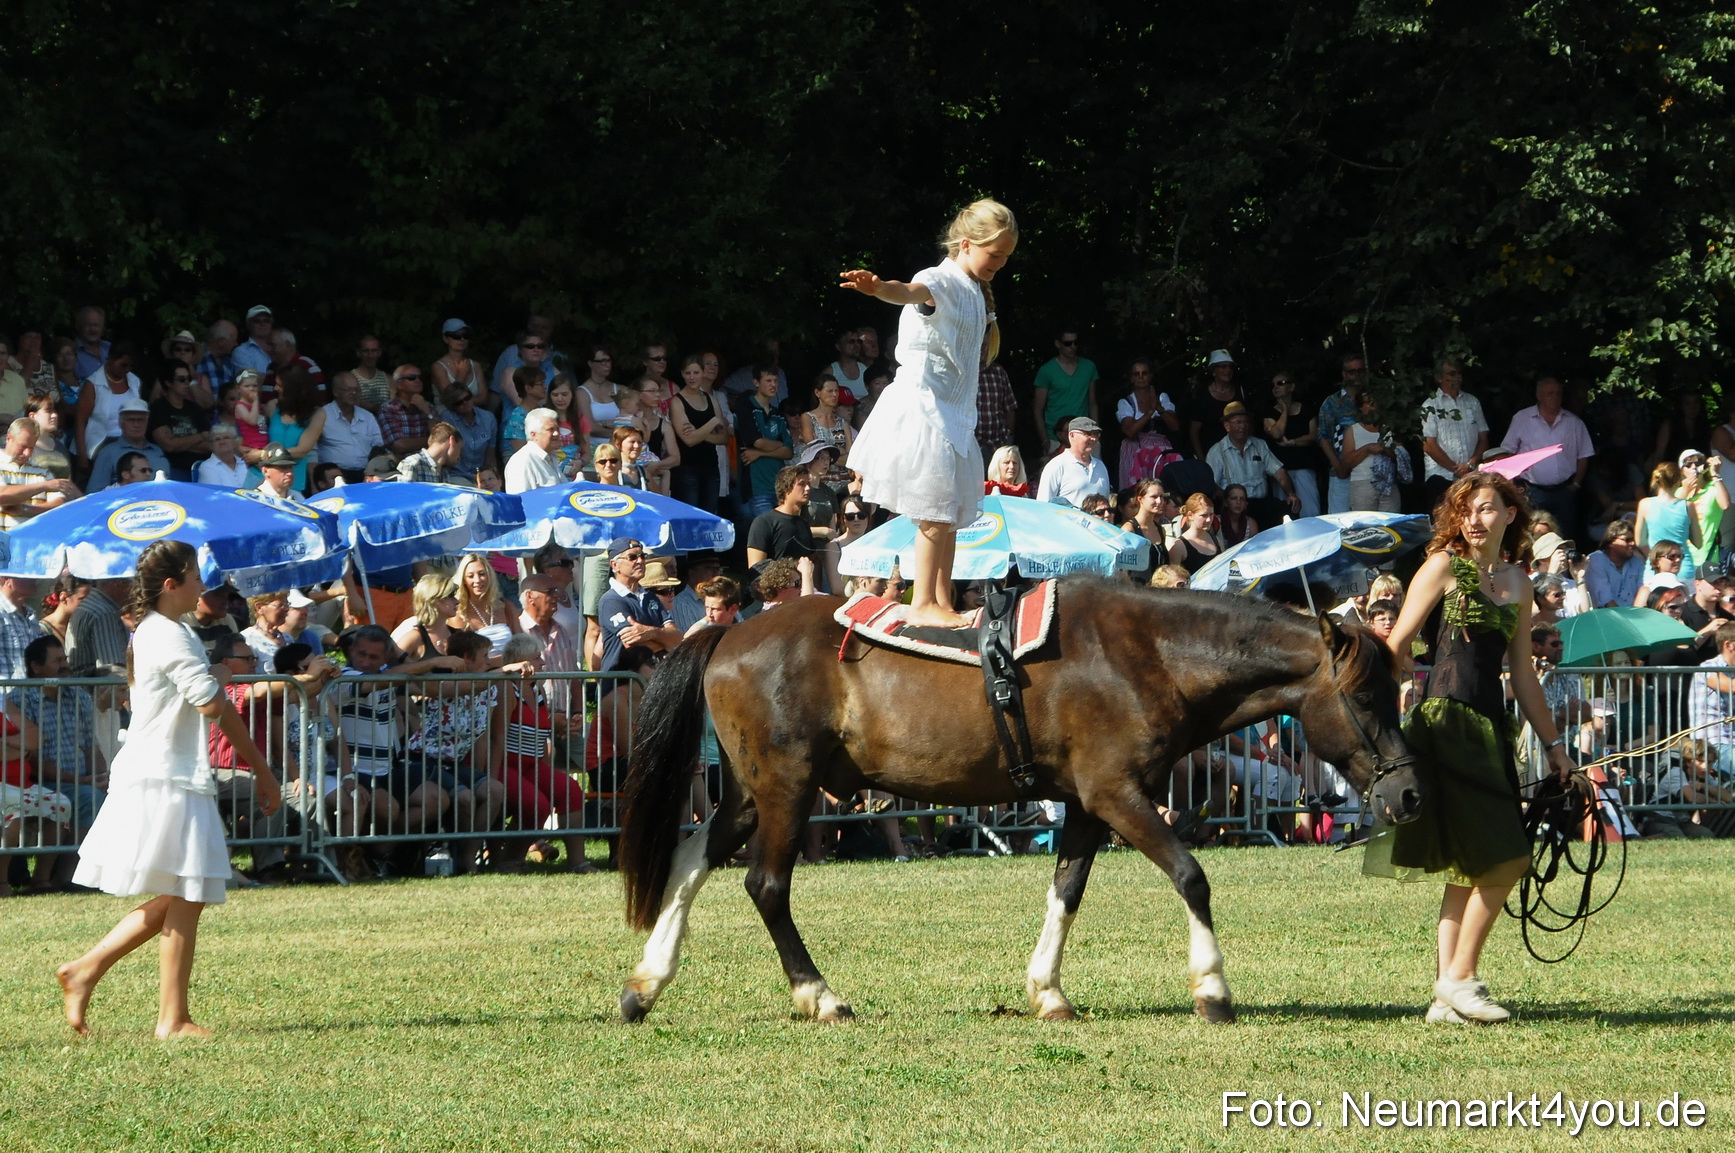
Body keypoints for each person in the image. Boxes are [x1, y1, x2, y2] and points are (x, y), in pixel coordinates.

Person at [1369, 472, 1574, 1025]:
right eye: (1466, 510)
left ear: (1510, 514)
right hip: (1445, 724)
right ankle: (1460, 979)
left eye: (1486, 508)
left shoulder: (1518, 582)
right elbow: (1397, 647)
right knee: (1507, 855)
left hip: (1491, 728)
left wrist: (1554, 746)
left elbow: (1523, 678)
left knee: (1468, 867)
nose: (1475, 519)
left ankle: (1445, 999)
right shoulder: (1440, 567)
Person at [55, 540, 279, 1038]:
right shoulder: (168, 635)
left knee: (188, 889)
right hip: (166, 775)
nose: (205, 585)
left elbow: (212, 701)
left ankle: (89, 971)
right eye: (197, 576)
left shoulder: (169, 631)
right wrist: (222, 674)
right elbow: (209, 704)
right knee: (190, 889)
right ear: (172, 584)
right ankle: (168, 1017)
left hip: (169, 771)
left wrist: (258, 764)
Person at [841, 197, 1017, 627]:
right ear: (965, 243)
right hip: (925, 410)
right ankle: (922, 602)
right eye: (995, 254)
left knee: (951, 517)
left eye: (1006, 257)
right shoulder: (939, 279)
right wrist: (878, 288)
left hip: (956, 418)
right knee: (935, 515)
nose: (1000, 263)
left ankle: (941, 599)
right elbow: (907, 291)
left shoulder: (975, 289)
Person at [1499, 376, 1594, 539]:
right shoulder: (1522, 419)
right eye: (1550, 393)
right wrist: (1514, 485)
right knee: (1532, 535)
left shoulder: (1574, 422)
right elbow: (1507, 452)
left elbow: (1584, 455)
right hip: (1533, 490)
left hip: (1565, 490)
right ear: (1539, 396)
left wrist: (1576, 484)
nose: (1555, 397)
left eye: (1558, 393)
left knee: (1565, 535)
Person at [1204, 401, 1300, 527]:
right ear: (1227, 426)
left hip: (1260, 503)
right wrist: (1230, 498)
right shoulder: (1216, 452)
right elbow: (1212, 487)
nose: (1243, 426)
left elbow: (1280, 473)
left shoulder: (1259, 445)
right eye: (1238, 422)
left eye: (1245, 422)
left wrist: (1291, 495)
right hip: (1234, 507)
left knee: (1289, 509)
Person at [595, 538, 683, 671]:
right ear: (614, 565)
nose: (640, 561)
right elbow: (633, 643)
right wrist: (665, 642)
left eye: (642, 556)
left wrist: (650, 633)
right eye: (632, 557)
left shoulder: (650, 597)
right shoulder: (611, 600)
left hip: (651, 681)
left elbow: (677, 637)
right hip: (622, 682)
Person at [1419, 358, 1488, 512]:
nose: (1457, 377)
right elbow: (1428, 445)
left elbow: (1483, 439)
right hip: (1440, 476)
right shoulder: (1430, 405)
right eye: (1452, 373)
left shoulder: (1473, 402)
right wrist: (1456, 469)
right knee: (1443, 526)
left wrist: (1470, 465)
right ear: (1439, 378)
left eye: (1459, 373)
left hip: (1471, 474)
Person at [669, 353, 729, 512]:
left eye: (696, 373)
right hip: (687, 468)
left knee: (710, 516)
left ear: (703, 373)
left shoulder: (711, 399)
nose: (692, 377)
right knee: (691, 515)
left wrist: (699, 433)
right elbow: (688, 440)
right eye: (688, 373)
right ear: (682, 374)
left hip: (711, 466)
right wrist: (713, 423)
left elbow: (723, 438)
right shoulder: (677, 401)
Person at [0, 417, 80, 527]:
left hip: (32, 541)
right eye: (22, 446)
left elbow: (59, 504)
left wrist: (26, 510)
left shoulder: (42, 472)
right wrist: (43, 486)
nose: (27, 453)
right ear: (8, 439)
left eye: (31, 448)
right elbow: (2, 496)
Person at [737, 363, 793, 516]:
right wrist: (778, 445)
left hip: (779, 487)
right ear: (756, 382)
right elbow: (757, 442)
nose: (773, 385)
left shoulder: (778, 413)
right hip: (757, 487)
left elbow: (788, 452)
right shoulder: (746, 406)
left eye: (775, 381)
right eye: (768, 381)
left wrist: (760, 453)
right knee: (768, 534)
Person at [1316, 353, 1368, 514]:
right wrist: (1338, 467)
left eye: (1360, 370)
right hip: (1342, 473)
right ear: (1344, 374)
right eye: (1352, 371)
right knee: (1341, 522)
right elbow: (1323, 437)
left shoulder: (1374, 400)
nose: (1356, 375)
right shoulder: (1332, 402)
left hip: (1369, 472)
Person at [1116, 357, 1180, 489]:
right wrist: (1150, 412)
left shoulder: (1162, 398)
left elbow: (1175, 426)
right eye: (1136, 374)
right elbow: (1130, 432)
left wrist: (1159, 408)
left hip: (1161, 450)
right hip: (1135, 450)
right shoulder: (1126, 402)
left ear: (1150, 376)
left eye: (1144, 373)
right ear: (1132, 378)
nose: (1140, 377)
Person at [1032, 328, 1100, 450]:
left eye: (1076, 342)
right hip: (1055, 437)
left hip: (1085, 435)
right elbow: (1038, 409)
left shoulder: (1089, 367)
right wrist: (1045, 441)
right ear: (1058, 344)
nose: (1073, 347)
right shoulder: (1046, 371)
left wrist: (1096, 433)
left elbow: (1092, 403)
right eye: (1068, 343)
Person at [316, 372, 385, 483]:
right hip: (334, 478)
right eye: (348, 389)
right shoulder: (322, 415)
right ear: (335, 392)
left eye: (356, 390)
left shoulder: (367, 417)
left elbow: (378, 446)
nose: (353, 393)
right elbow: (312, 451)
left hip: (365, 476)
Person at [1635, 462, 1698, 582]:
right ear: (1678, 481)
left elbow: (1640, 542)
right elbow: (1698, 542)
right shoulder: (1688, 506)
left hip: (1655, 569)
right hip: (1683, 569)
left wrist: (1658, 556)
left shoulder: (1645, 504)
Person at [1341, 390, 1401, 513]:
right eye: (1368, 403)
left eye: (1375, 402)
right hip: (1363, 483)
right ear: (1360, 407)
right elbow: (1347, 462)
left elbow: (1402, 457)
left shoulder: (1389, 428)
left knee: (1391, 527)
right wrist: (1367, 449)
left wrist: (1385, 450)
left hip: (1389, 483)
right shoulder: (1353, 430)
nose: (1373, 406)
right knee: (1366, 527)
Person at [147, 363, 210, 481]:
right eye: (182, 379)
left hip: (202, 467)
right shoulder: (158, 408)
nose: (187, 383)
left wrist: (178, 442)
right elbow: (168, 446)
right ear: (168, 382)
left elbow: (210, 444)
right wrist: (200, 436)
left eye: (189, 379)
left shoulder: (195, 408)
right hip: (173, 470)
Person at [746, 466, 818, 568]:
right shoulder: (764, 522)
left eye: (808, 484)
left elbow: (814, 561)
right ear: (786, 488)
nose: (807, 488)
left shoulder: (803, 524)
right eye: (802, 484)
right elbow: (755, 568)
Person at [1036, 417, 1111, 508]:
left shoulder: (1100, 466)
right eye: (1087, 434)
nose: (1093, 439)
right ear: (1071, 435)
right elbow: (1043, 506)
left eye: (1095, 434)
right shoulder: (1056, 466)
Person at [1678, 449, 1729, 575]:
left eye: (1698, 462)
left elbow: (1725, 505)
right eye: (1688, 465)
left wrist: (1715, 474)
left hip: (1707, 559)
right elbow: (1671, 518)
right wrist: (1685, 492)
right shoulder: (1678, 493)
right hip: (1681, 560)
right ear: (1682, 471)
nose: (1694, 467)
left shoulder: (1712, 488)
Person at [1186, 349, 1243, 461]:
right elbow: (1194, 431)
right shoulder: (1202, 395)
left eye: (1230, 366)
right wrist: (1201, 458)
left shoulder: (1240, 391)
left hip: (1238, 453)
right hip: (1211, 454)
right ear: (1213, 371)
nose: (1228, 370)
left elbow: (1247, 423)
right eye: (1223, 366)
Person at [1584, 518, 1644, 608]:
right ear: (1611, 542)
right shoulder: (1596, 560)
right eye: (1627, 540)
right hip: (1604, 616)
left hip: (1634, 614)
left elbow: (1642, 591)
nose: (1632, 543)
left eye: (1633, 539)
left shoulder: (1637, 562)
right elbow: (1606, 600)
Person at [1119, 479, 1170, 584]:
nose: (1160, 501)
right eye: (1154, 497)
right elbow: (1122, 569)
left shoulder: (1160, 530)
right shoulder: (1129, 530)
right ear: (1140, 499)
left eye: (1162, 497)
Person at [796, 373, 854, 463]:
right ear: (817, 393)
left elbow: (850, 457)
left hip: (842, 475)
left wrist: (827, 455)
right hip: (818, 475)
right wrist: (839, 451)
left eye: (836, 391)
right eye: (830, 391)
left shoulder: (843, 423)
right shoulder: (808, 418)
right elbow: (813, 451)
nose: (834, 394)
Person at [504, 409, 565, 494]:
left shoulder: (551, 456)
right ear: (534, 434)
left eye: (557, 429)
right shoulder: (521, 462)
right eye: (551, 429)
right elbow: (522, 502)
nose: (556, 433)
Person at [1166, 493, 1223, 576]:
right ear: (1190, 515)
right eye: (1203, 515)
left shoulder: (1217, 541)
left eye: (1211, 515)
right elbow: (1173, 580)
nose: (1208, 520)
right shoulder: (1179, 546)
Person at [974, 356, 1017, 462]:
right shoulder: (961, 372)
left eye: (985, 345)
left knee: (1000, 478)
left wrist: (1009, 437)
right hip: (973, 444)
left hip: (999, 442)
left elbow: (1010, 407)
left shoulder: (998, 371)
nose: (982, 349)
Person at [395, 421, 464, 483]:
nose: (459, 457)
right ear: (452, 441)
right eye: (460, 449)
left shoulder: (444, 473)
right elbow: (403, 495)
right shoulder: (412, 464)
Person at [194, 423, 249, 488]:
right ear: (211, 446)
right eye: (217, 439)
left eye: (226, 438)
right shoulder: (207, 467)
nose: (222, 442)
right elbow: (216, 493)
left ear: (234, 443)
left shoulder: (246, 463)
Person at [351, 334, 393, 412]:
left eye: (374, 350)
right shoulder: (350, 379)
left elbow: (395, 406)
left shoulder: (388, 379)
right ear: (358, 353)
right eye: (366, 351)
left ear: (379, 352)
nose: (370, 355)